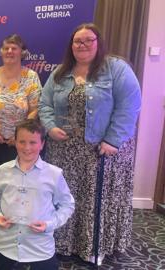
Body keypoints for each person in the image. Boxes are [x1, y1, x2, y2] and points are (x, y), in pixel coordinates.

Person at [39, 23, 141, 264]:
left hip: (103, 150)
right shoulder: (60, 73)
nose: (82, 45)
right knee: (67, 197)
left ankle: (95, 247)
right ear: (71, 45)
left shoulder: (116, 69)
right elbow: (44, 104)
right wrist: (51, 127)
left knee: (96, 199)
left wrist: (113, 140)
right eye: (77, 41)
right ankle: (66, 243)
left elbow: (130, 106)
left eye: (88, 40)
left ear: (98, 42)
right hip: (65, 151)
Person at [0, 119, 75, 270]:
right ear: (15, 142)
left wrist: (49, 225)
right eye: (22, 142)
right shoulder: (2, 170)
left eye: (33, 142)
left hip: (40, 248)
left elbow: (67, 205)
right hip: (5, 244)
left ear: (42, 144)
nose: (27, 148)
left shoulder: (54, 174)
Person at [0, 34, 41, 199]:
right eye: (6, 48)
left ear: (22, 52)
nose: (10, 51)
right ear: (1, 52)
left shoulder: (31, 77)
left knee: (19, 187)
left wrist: (19, 136)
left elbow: (35, 109)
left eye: (14, 48)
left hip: (21, 144)